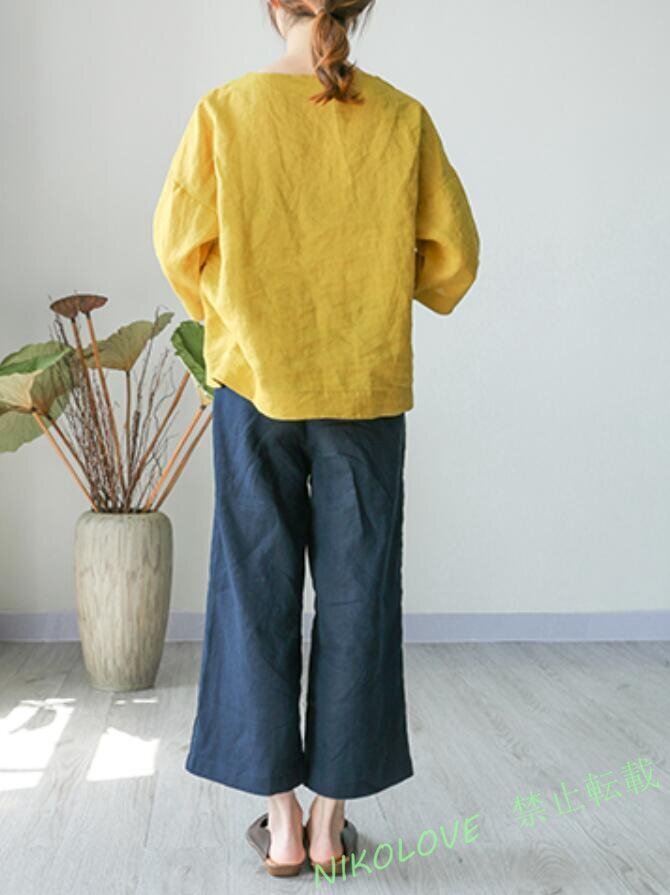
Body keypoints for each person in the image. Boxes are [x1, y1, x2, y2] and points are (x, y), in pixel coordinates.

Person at [152, 0, 480, 878]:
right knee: (359, 593)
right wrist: (373, 287)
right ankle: (332, 823)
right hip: (364, 389)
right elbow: (453, 261)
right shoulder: (402, 118)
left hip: (254, 386)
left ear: (274, 8)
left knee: (253, 590)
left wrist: (239, 314)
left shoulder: (225, 112)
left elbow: (179, 248)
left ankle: (282, 825)